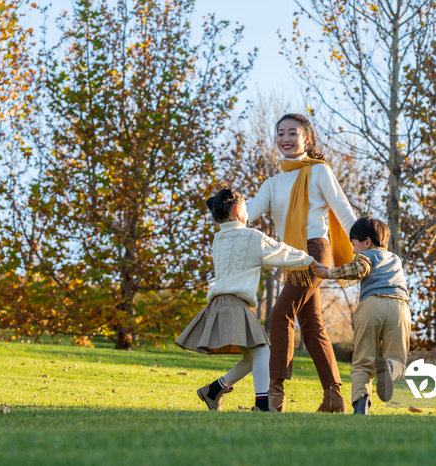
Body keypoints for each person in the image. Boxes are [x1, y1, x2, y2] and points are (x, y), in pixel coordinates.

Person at [246, 113, 357, 413]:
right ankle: (333, 398)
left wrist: (369, 244)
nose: (285, 138)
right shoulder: (273, 183)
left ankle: (274, 395)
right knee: (312, 326)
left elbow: (344, 211)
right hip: (290, 258)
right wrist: (226, 209)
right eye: (280, 133)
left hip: (314, 254)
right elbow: (248, 211)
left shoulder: (319, 172)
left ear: (306, 138)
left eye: (292, 133)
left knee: (279, 315)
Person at [175, 188, 319, 412]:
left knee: (253, 357)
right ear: (237, 210)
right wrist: (310, 259)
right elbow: (280, 252)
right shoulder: (251, 237)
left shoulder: (218, 239)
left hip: (220, 304)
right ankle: (262, 404)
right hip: (235, 303)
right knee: (262, 351)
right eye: (246, 207)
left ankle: (213, 391)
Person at [311, 216, 411, 415]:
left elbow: (359, 268)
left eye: (354, 245)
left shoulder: (367, 256)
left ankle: (361, 405)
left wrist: (328, 273)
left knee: (363, 361)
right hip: (400, 307)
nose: (353, 251)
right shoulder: (395, 259)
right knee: (398, 359)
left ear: (367, 242)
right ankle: (389, 369)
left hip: (371, 304)